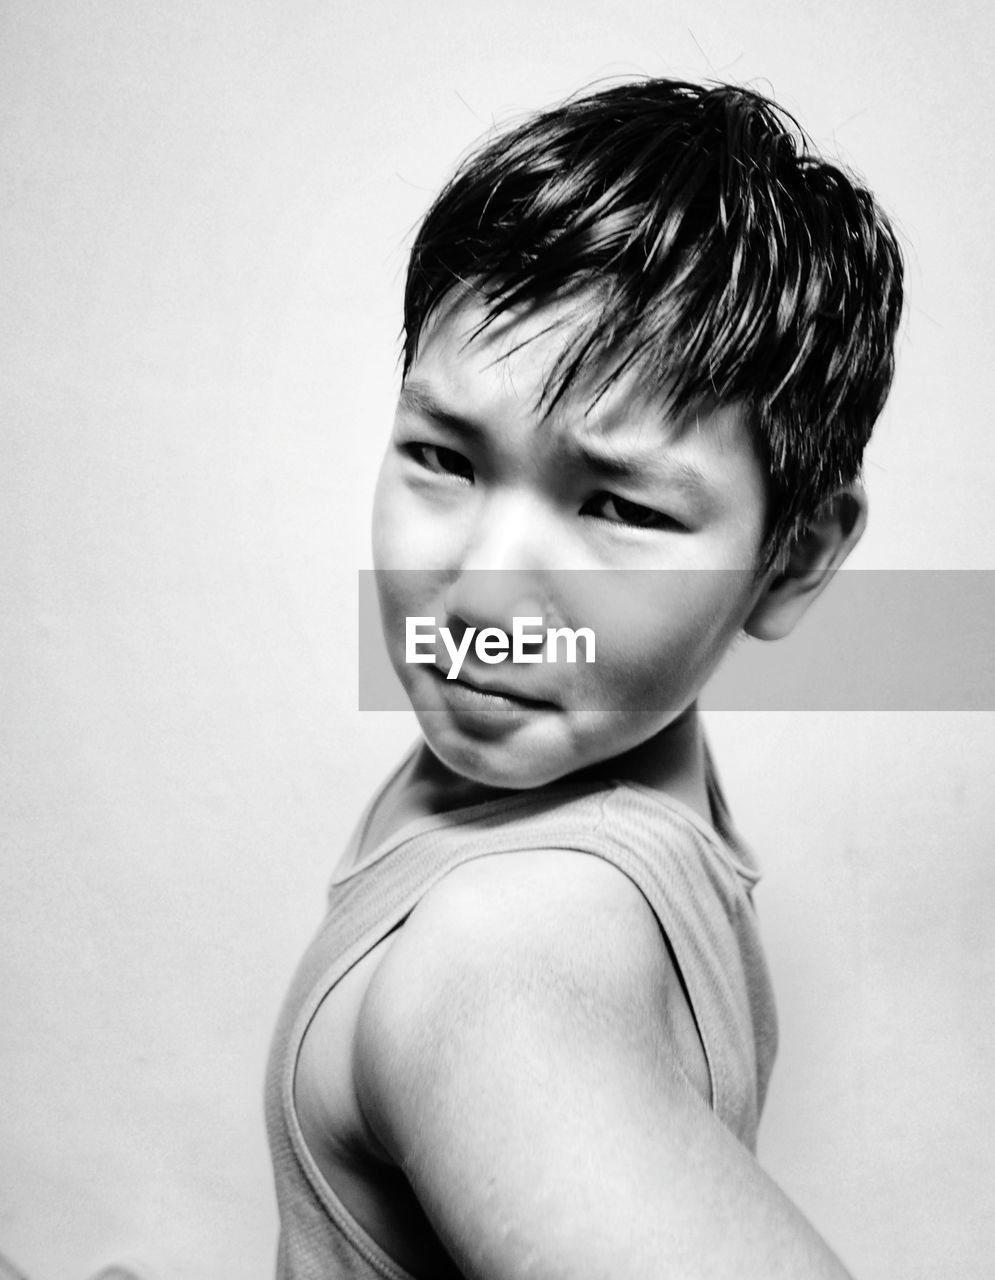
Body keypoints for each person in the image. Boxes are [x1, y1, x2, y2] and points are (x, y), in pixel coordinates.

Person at [265, 78, 904, 1279]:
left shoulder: (500, 960)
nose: (486, 594)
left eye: (617, 505)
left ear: (795, 552)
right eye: (444, 457)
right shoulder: (614, 765)